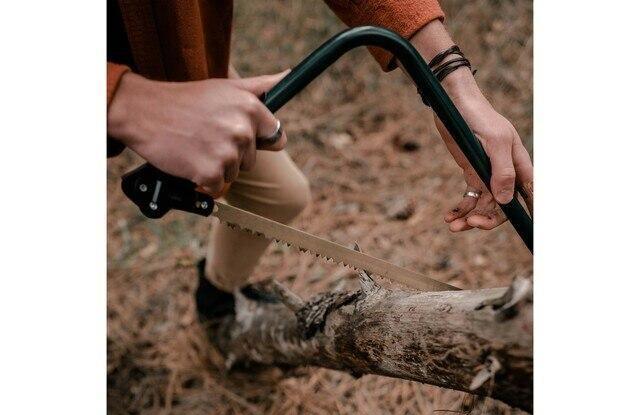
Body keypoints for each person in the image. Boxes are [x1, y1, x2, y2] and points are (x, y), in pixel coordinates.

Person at [107, 0, 533, 324]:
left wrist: (453, 86)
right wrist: (123, 99)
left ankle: (216, 296)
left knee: (280, 194)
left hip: (176, 68)